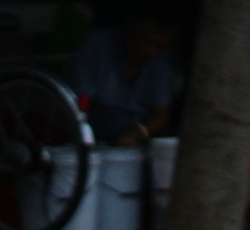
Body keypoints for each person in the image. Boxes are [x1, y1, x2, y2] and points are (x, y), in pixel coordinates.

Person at [71, 14, 178, 146]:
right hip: (93, 133)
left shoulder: (161, 60)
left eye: (158, 46)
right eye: (145, 41)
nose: (150, 51)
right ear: (132, 29)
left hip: (133, 139)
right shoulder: (97, 44)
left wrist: (136, 133)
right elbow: (80, 104)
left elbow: (161, 114)